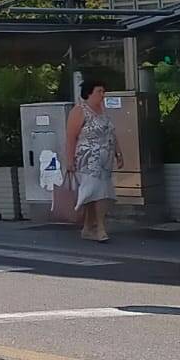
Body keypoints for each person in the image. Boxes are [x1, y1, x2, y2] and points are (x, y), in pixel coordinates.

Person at [65, 79, 122, 243]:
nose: (103, 95)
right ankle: (100, 228)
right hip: (87, 159)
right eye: (99, 91)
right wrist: (69, 160)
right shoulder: (79, 111)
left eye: (103, 92)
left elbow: (111, 133)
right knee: (98, 193)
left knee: (93, 194)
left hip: (105, 160)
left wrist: (119, 153)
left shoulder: (102, 110)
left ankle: (89, 227)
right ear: (89, 93)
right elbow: (70, 137)